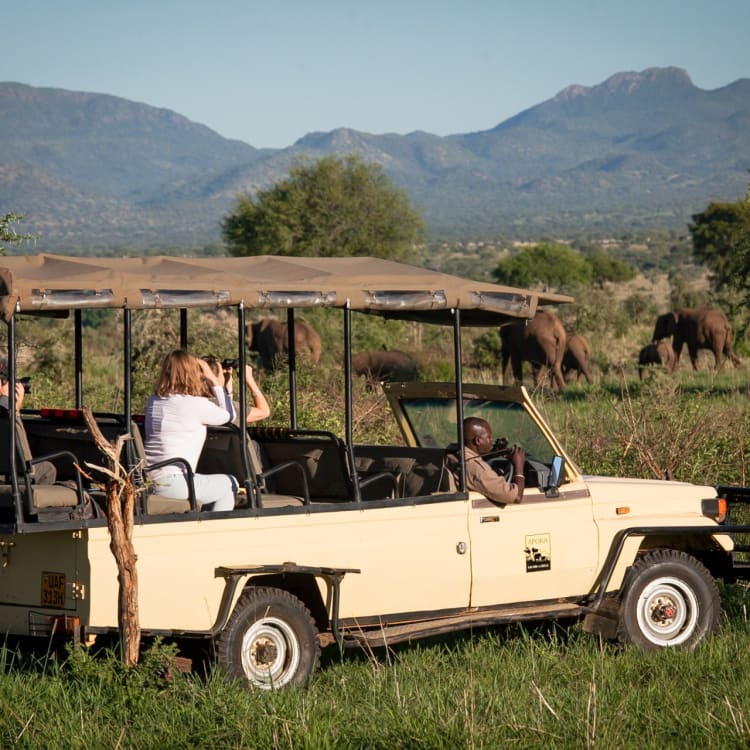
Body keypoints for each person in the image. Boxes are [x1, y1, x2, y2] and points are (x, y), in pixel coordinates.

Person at [144, 350, 237, 511]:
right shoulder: (194, 404)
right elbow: (229, 415)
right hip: (175, 482)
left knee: (213, 487)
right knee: (230, 483)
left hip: (151, 479)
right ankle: (214, 531)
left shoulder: (154, 401)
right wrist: (214, 380)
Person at [0, 360, 57, 484]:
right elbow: (23, 460)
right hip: (7, 476)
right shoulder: (6, 411)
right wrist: (15, 410)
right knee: (48, 469)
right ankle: (27, 501)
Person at [445, 416, 526, 504]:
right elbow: (516, 497)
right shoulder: (479, 471)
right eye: (489, 437)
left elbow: (473, 459)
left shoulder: (453, 455)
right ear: (478, 441)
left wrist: (493, 453)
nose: (491, 441)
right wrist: (519, 465)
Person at [205, 358, 271, 425]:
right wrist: (249, 379)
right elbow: (264, 412)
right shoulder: (232, 408)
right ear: (213, 379)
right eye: (221, 374)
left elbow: (225, 402)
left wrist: (228, 380)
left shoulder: (199, 404)